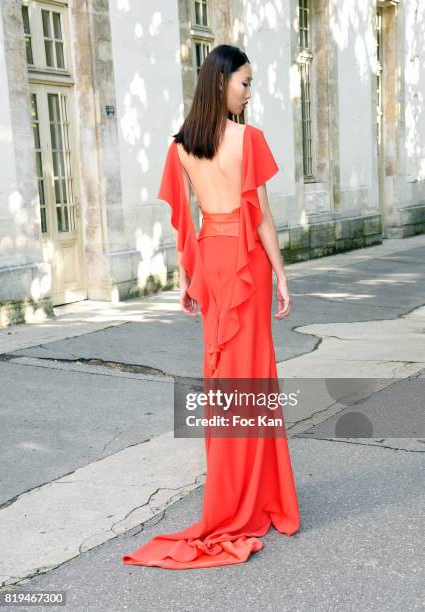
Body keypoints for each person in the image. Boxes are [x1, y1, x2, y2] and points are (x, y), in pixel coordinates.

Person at [122, 44, 300, 569]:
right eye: (245, 82)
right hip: (246, 263)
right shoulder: (249, 139)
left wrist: (190, 278)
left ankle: (232, 494)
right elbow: (262, 218)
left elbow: (186, 223)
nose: (250, 92)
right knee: (254, 380)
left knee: (225, 381)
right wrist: (284, 276)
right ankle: (257, 499)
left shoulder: (181, 146)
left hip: (214, 262)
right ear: (220, 83)